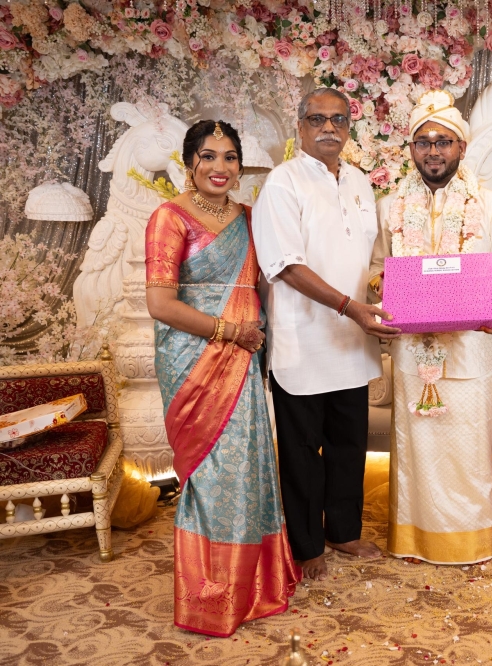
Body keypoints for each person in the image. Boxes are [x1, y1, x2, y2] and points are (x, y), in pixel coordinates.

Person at [145, 120, 299, 636]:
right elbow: (160, 303)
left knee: (249, 464)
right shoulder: (169, 218)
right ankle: (210, 594)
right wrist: (231, 332)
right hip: (195, 360)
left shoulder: (252, 219)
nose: (220, 168)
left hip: (245, 357)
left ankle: (252, 583)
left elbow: (273, 281)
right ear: (190, 162)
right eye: (208, 156)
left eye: (230, 157)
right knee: (211, 474)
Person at [251, 88, 401, 581]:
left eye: (339, 120)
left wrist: (385, 295)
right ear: (300, 127)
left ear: (349, 128)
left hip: (352, 344)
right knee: (300, 451)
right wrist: (350, 307)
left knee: (347, 445)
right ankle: (306, 542)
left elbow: (371, 259)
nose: (329, 128)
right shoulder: (283, 183)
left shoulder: (359, 183)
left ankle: (342, 530)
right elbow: (285, 265)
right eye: (318, 119)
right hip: (302, 343)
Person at [369, 89, 492, 565]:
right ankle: (415, 539)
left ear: (461, 147)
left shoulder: (491, 205)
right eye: (423, 141)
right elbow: (379, 267)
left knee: (469, 446)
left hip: (470, 347)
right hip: (414, 351)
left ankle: (469, 540)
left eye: (444, 141)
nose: (433, 150)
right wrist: (380, 286)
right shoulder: (390, 206)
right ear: (411, 149)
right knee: (416, 447)